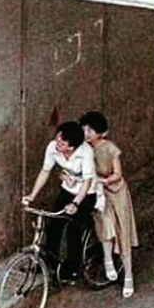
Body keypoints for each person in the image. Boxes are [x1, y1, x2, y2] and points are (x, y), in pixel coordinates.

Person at [22, 120, 96, 281]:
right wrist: (32, 195)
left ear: (71, 147)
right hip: (67, 190)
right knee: (54, 225)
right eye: (57, 139)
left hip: (86, 194)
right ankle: (48, 264)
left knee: (74, 230)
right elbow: (45, 171)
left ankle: (73, 270)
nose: (57, 144)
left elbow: (87, 182)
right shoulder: (52, 148)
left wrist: (76, 203)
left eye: (61, 143)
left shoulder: (86, 152)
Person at [80, 111, 139, 299]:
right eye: (85, 129)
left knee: (123, 233)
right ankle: (108, 260)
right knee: (103, 224)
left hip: (116, 192)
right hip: (99, 194)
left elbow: (117, 174)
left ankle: (128, 276)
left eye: (90, 130)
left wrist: (102, 181)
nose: (87, 133)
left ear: (101, 132)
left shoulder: (110, 148)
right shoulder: (84, 149)